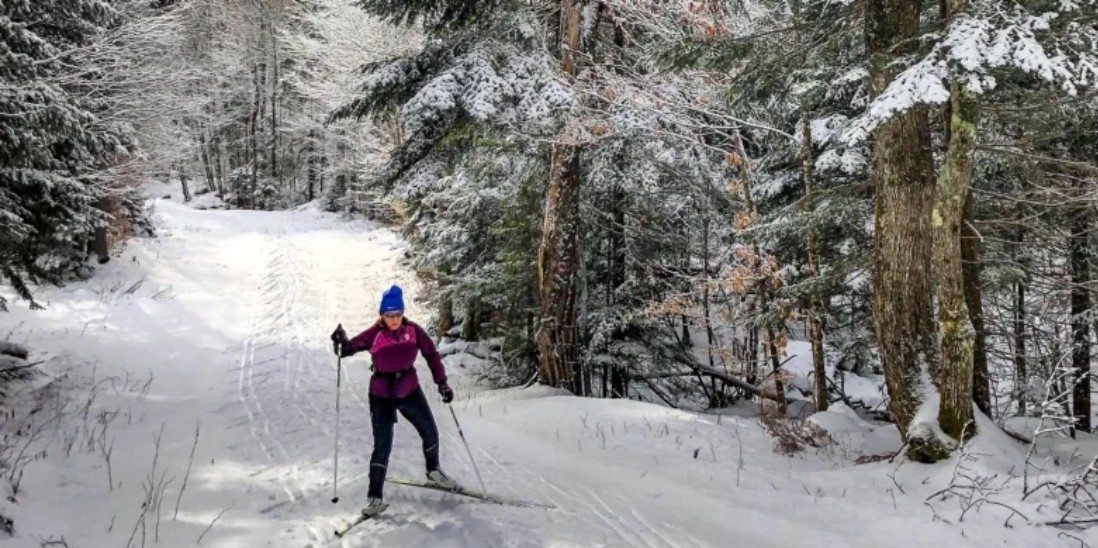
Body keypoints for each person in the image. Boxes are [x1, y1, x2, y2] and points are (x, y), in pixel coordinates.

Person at [330, 284, 457, 517]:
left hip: (409, 389)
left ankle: (433, 470)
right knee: (382, 446)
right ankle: (375, 497)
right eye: (389, 315)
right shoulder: (374, 334)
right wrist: (340, 341)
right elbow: (348, 349)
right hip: (381, 395)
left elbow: (431, 354)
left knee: (430, 431)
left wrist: (442, 382)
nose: (394, 319)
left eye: (398, 314)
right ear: (382, 315)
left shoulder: (414, 331)